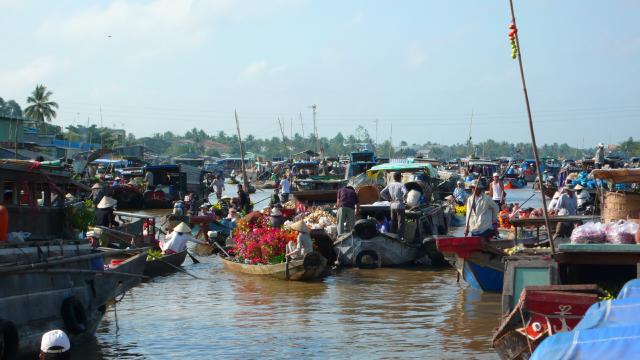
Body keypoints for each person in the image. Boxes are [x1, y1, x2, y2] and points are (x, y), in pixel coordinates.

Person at [380, 172, 408, 238]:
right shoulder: (401, 185)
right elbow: (406, 192)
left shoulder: (390, 185)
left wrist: (388, 199)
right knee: (400, 222)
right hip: (399, 205)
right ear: (399, 178)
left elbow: (382, 193)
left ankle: (392, 237)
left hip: (392, 205)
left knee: (393, 222)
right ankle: (400, 237)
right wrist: (404, 199)